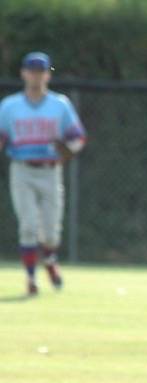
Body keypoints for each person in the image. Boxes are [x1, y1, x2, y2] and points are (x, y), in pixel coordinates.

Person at [0, 52, 87, 296]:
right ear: (23, 73)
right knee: (27, 226)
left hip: (50, 171)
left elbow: (78, 137)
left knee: (50, 232)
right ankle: (31, 278)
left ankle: (49, 260)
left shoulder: (59, 105)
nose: (36, 76)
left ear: (47, 75)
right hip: (22, 169)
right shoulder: (9, 106)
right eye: (32, 71)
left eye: (41, 72)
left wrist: (68, 150)